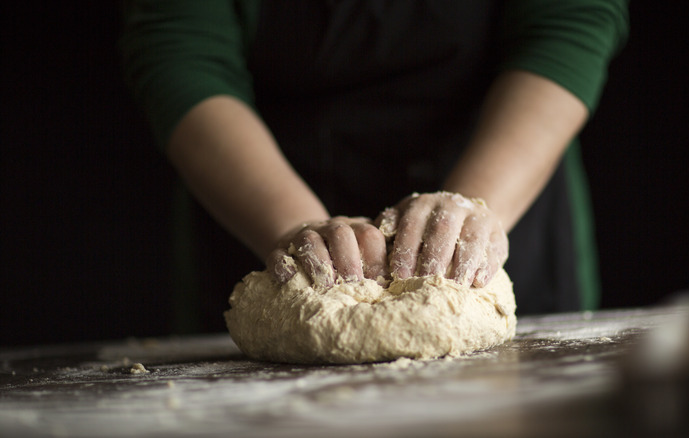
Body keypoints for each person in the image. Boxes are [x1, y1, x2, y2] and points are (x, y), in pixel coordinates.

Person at [120, 0, 629, 331]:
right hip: (259, 189)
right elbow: (179, 53)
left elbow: (572, 19)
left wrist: (473, 205)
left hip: (502, 163)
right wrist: (291, 225)